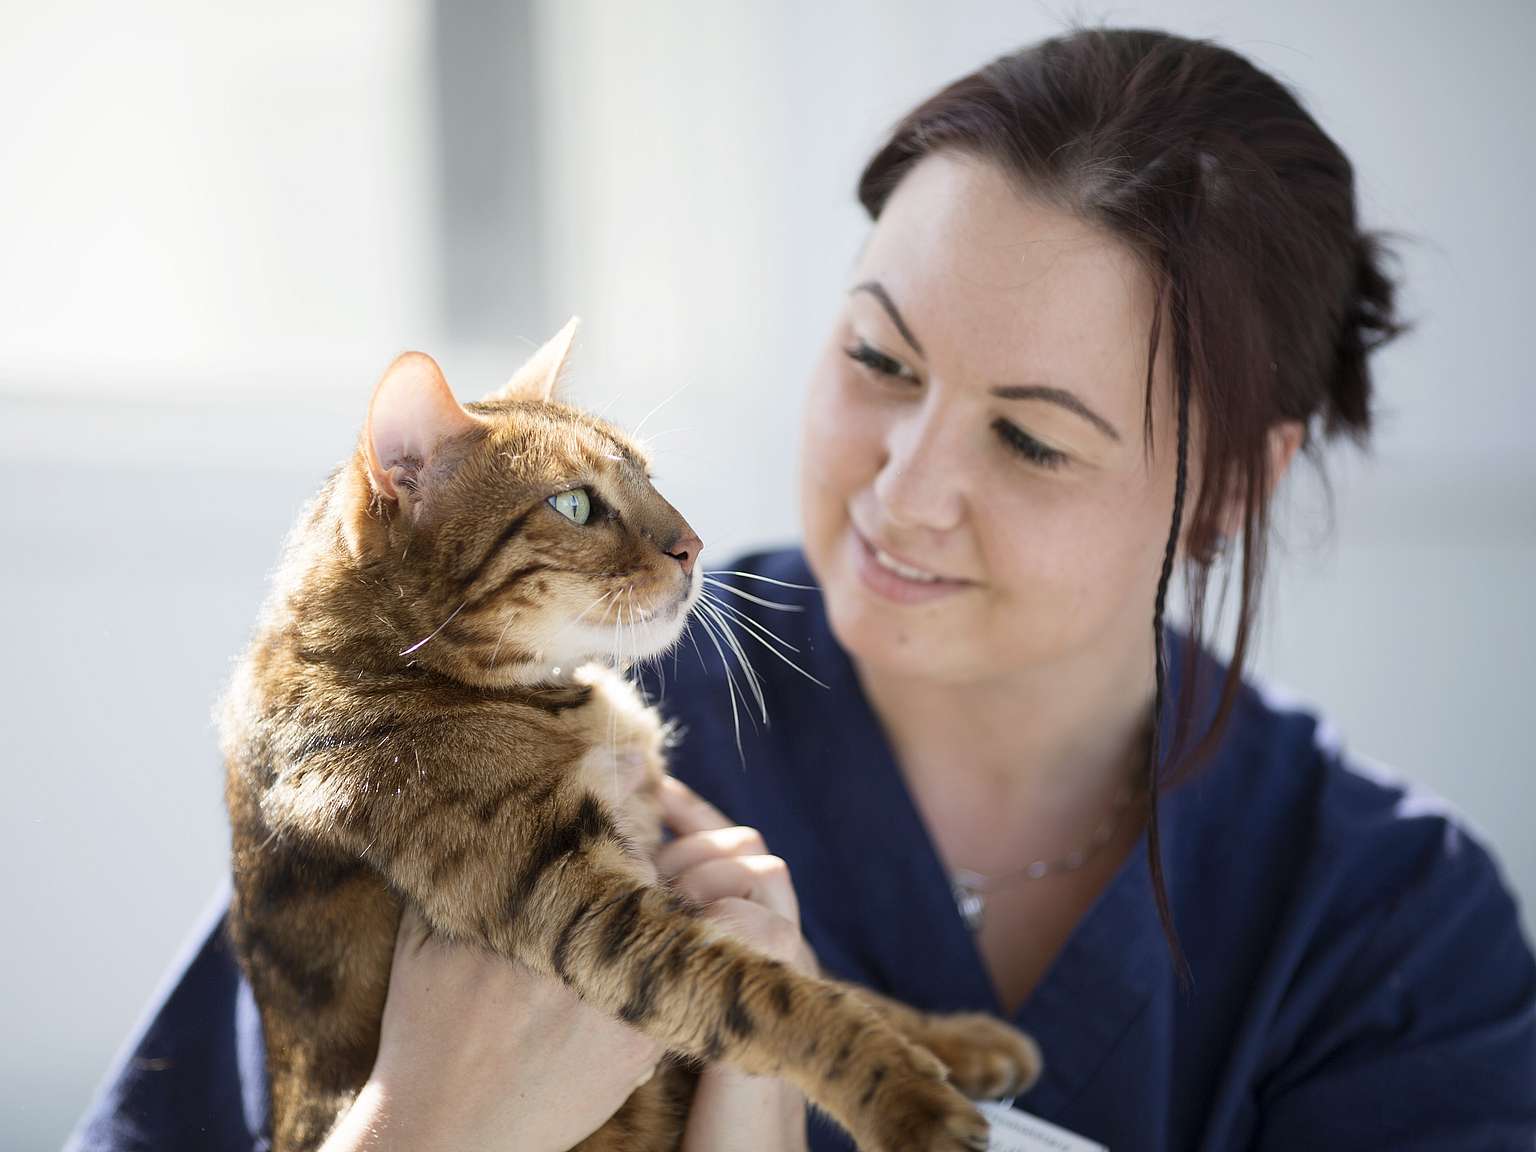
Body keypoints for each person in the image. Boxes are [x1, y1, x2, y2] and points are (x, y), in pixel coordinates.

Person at [71, 26, 1536, 1152]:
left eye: (1030, 438)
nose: (900, 488)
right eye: (876, 362)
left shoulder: (1387, 931)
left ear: (1231, 485)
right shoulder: (482, 720)